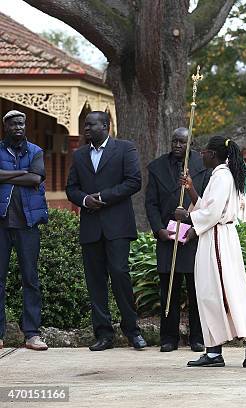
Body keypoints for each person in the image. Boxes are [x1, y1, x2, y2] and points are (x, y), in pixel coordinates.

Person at [176, 136, 246, 368]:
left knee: (223, 291)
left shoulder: (222, 176)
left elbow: (213, 213)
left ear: (213, 154)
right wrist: (191, 189)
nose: (201, 155)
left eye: (204, 152)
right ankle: (214, 352)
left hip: (217, 238)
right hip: (214, 236)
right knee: (210, 293)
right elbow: (206, 206)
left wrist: (188, 220)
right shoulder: (220, 175)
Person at [66, 111, 146, 351]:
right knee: (95, 282)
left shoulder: (125, 148)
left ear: (106, 126)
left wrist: (102, 197)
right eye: (85, 125)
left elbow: (134, 181)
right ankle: (103, 334)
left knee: (120, 275)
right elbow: (71, 188)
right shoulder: (79, 155)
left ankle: (133, 332)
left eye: (91, 125)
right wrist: (84, 200)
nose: (86, 129)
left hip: (117, 227)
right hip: (91, 227)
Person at [145, 128, 211, 352]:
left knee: (196, 290)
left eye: (182, 142)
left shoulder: (204, 167)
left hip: (193, 236)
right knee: (169, 289)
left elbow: (208, 203)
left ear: (190, 143)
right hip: (167, 236)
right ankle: (168, 338)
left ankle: (197, 338)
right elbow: (151, 203)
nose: (177, 145)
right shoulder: (157, 167)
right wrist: (158, 230)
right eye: (174, 141)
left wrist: (195, 227)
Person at [0, 110, 48, 351]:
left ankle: (32, 334)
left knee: (30, 279)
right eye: (13, 124)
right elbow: (28, 176)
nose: (18, 127)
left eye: (21, 123)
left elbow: (36, 178)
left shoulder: (36, 151)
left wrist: (7, 177)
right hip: (1, 225)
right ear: (5, 127)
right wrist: (23, 173)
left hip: (28, 225)